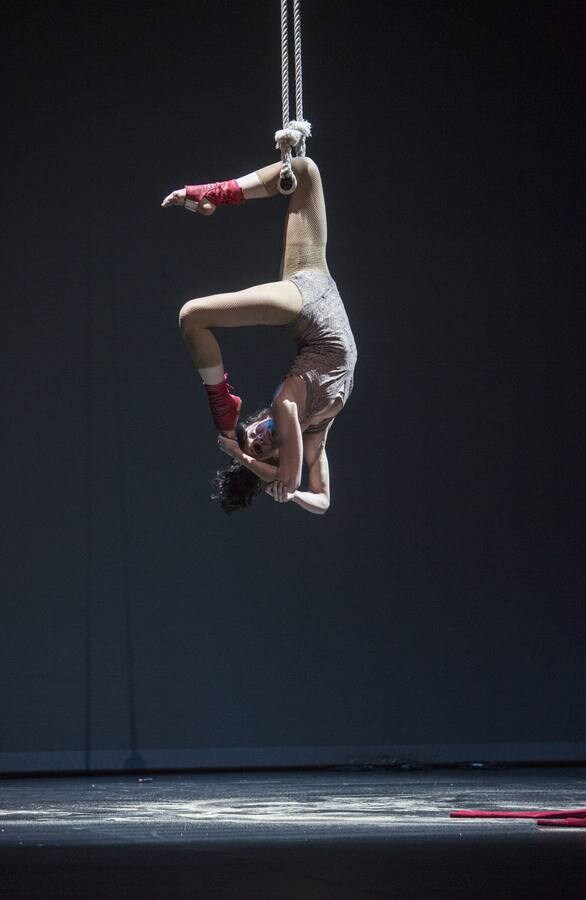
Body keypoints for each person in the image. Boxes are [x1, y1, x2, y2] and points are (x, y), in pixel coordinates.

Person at [161, 157, 357, 514]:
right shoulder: (312, 430)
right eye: (261, 448)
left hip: (305, 299)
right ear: (276, 455)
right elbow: (321, 500)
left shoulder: (285, 404)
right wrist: (290, 493)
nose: (258, 438)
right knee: (305, 171)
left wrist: (241, 452)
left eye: (251, 436)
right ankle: (211, 196)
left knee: (191, 316)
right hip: (314, 295)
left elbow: (288, 475)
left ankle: (213, 194)